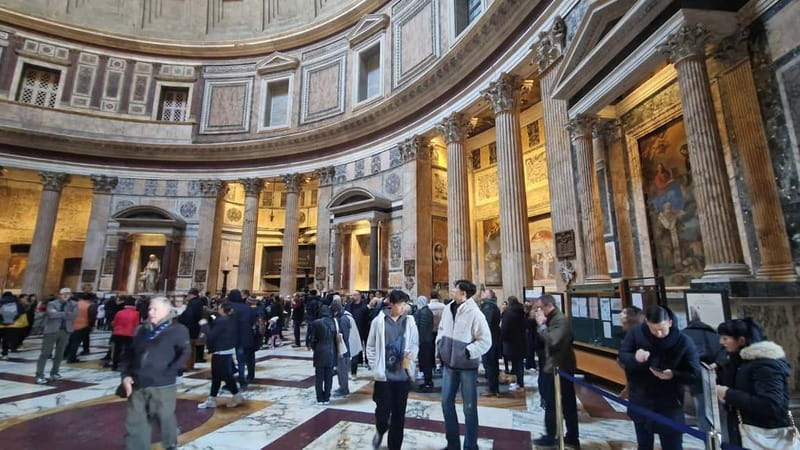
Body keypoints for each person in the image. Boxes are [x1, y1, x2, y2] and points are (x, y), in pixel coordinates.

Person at [619, 305, 699, 450]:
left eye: (662, 329)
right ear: (647, 322)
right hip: (641, 396)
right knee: (644, 444)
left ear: (670, 322)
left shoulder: (684, 341)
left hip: (670, 401)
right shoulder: (636, 334)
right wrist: (635, 358)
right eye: (654, 330)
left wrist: (673, 375)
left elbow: (694, 373)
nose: (660, 334)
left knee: (672, 444)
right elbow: (622, 356)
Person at [120, 296, 190, 450]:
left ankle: (170, 443)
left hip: (162, 384)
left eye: (155, 309)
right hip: (137, 383)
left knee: (164, 418)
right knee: (135, 422)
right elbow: (129, 354)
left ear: (167, 311)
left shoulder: (178, 330)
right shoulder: (142, 329)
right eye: (150, 308)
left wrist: (169, 371)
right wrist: (126, 375)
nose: (150, 312)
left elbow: (184, 353)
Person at [715, 319, 792, 448]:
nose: (721, 343)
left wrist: (729, 394)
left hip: (765, 434)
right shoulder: (740, 361)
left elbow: (771, 404)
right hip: (745, 430)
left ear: (741, 340)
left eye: (725, 338)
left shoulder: (765, 365)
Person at [437, 279, 492, 450]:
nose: (452, 290)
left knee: (469, 408)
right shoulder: (447, 308)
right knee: (446, 403)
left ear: (464, 294)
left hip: (467, 367)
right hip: (449, 365)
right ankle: (452, 444)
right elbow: (441, 330)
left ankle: (470, 445)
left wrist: (468, 352)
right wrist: (440, 347)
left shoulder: (475, 313)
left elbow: (486, 341)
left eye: (455, 289)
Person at [366, 290, 419, 450]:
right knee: (382, 413)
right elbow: (370, 346)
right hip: (384, 377)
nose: (403, 308)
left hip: (402, 376)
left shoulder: (410, 321)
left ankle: (394, 446)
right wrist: (375, 366)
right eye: (400, 305)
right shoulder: (379, 321)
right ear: (391, 304)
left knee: (399, 416)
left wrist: (412, 354)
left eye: (405, 305)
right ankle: (381, 429)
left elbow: (415, 343)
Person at [533, 294, 580, 448]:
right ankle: (559, 435)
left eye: (540, 307)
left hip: (559, 368)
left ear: (549, 306)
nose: (538, 311)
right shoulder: (553, 319)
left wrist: (541, 326)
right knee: (556, 402)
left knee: (559, 403)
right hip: (554, 366)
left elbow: (553, 341)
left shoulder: (560, 320)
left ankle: (560, 436)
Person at [681, 310, 724, 432]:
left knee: (702, 412)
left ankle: (708, 441)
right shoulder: (715, 336)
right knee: (720, 414)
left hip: (697, 379)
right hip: (717, 378)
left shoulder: (683, 335)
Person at [197, 302, 243, 409]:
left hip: (220, 351)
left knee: (225, 376)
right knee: (217, 376)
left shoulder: (222, 321)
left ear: (222, 309)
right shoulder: (231, 319)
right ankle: (212, 399)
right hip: (226, 350)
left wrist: (204, 325)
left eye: (219, 307)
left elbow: (212, 336)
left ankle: (236, 395)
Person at [35, 288, 78, 384]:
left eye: (68, 294)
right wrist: (66, 314)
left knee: (60, 353)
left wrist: (59, 313)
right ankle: (39, 374)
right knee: (45, 353)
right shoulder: (52, 303)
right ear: (59, 295)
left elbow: (74, 315)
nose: (66, 295)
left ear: (71, 295)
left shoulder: (73, 304)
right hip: (52, 330)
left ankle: (55, 372)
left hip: (65, 330)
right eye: (63, 294)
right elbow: (51, 315)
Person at [309, 304, 337, 405]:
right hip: (331, 351)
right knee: (329, 377)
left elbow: (312, 340)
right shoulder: (333, 322)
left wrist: (315, 349)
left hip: (320, 350)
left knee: (319, 377)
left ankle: (319, 398)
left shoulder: (316, 323)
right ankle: (327, 397)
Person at [501, 296, 526, 392]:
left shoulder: (509, 313)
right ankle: (520, 383)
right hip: (520, 341)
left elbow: (505, 329)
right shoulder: (521, 312)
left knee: (516, 364)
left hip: (511, 342)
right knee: (519, 364)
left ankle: (518, 383)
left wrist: (502, 339)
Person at [479, 289, 501, 397]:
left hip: (489, 341)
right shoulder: (491, 307)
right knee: (492, 365)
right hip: (493, 339)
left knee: (489, 365)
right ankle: (494, 388)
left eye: (485, 292)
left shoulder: (489, 308)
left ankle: (492, 389)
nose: (482, 293)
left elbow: (486, 325)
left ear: (489, 296)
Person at [111, 297, 140, 371]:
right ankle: (125, 365)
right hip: (129, 334)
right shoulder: (136, 313)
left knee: (117, 350)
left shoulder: (119, 312)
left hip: (117, 333)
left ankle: (114, 365)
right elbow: (136, 324)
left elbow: (114, 323)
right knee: (128, 350)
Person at [413, 295, 435, 392]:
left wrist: (417, 341)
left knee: (425, 362)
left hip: (423, 341)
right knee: (428, 362)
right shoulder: (428, 311)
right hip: (428, 340)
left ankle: (427, 383)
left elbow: (418, 327)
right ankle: (428, 381)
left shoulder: (421, 312)